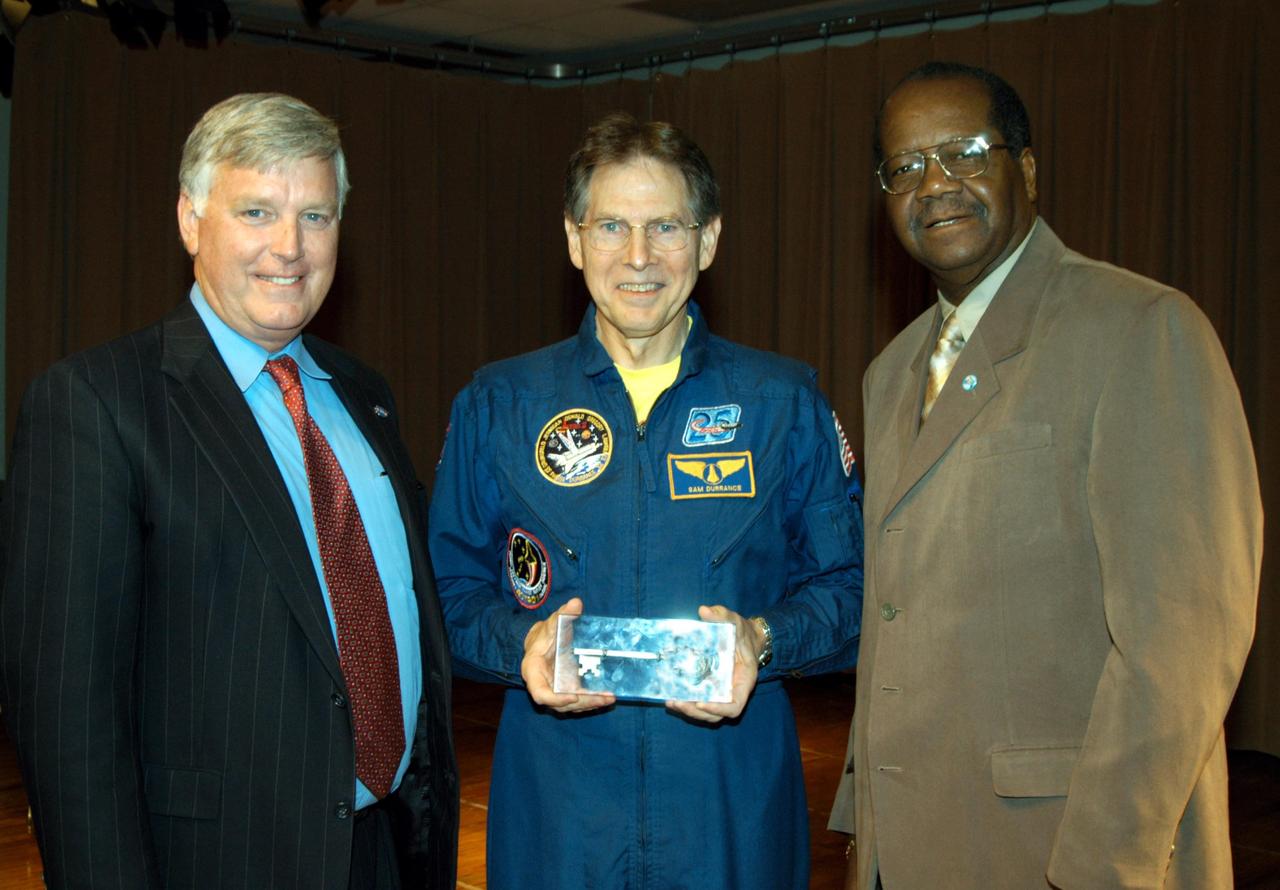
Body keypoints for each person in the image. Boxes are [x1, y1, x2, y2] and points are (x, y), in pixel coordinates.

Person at [0, 93, 458, 890]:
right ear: (189, 219)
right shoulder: (97, 405)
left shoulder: (364, 394)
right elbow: (66, 719)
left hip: (390, 850)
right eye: (257, 211)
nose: (290, 247)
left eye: (316, 216)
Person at [828, 62, 1262, 889]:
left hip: (1063, 850)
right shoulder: (892, 373)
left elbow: (1184, 644)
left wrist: (1101, 865)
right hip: (907, 848)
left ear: (1024, 169)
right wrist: (865, 825)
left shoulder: (1139, 330)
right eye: (905, 167)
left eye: (963, 151)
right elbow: (896, 613)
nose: (935, 184)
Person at [429, 111, 863, 890]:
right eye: (611, 227)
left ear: (708, 239)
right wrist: (516, 646)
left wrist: (763, 640)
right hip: (557, 820)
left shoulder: (782, 401)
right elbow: (447, 593)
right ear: (573, 239)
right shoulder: (499, 403)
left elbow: (855, 589)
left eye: (666, 226)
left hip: (730, 814)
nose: (639, 257)